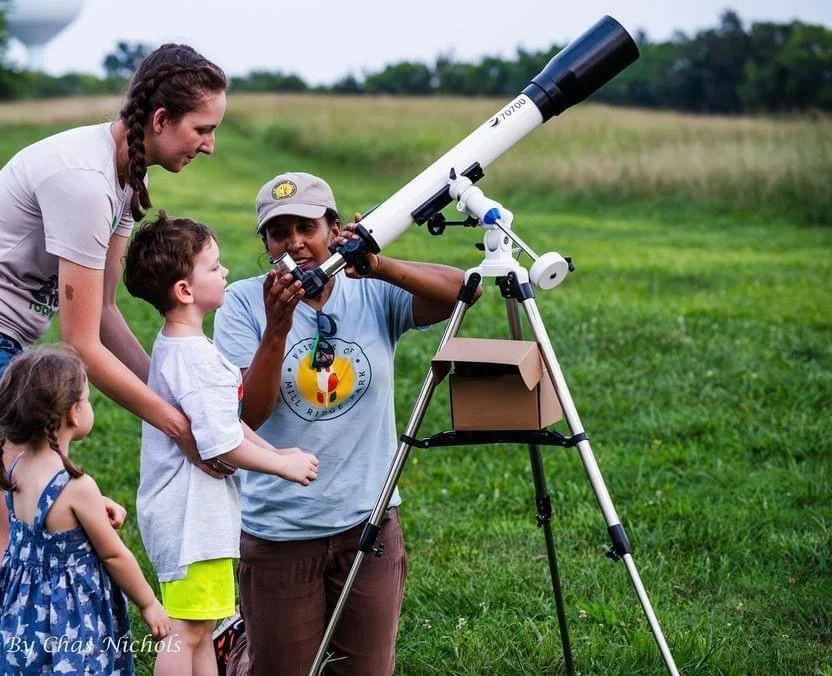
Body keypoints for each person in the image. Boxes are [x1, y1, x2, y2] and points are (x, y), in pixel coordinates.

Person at [213, 172, 480, 675]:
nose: (295, 242)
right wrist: (277, 327)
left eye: (307, 227)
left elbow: (463, 292)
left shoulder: (370, 289)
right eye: (279, 232)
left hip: (369, 519)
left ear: (334, 229)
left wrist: (378, 265)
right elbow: (248, 414)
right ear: (266, 243)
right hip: (280, 531)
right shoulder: (244, 303)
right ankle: (238, 648)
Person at [0, 42, 230, 556]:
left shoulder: (127, 175)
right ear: (162, 119)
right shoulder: (86, 183)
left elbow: (103, 312)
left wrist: (179, 397)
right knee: (14, 517)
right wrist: (178, 426)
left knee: (21, 509)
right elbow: (80, 343)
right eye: (203, 129)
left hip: (12, 338)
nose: (210, 145)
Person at [122, 212, 320, 676]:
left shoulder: (186, 346)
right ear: (185, 291)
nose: (226, 271)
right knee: (185, 632)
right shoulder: (194, 358)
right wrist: (281, 467)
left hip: (197, 521)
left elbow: (225, 422)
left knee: (203, 629)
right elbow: (221, 445)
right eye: (214, 267)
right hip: (192, 522)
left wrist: (274, 451)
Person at [0, 346, 171, 674]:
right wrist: (148, 603)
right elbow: (114, 556)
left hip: (25, 611)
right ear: (73, 414)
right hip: (72, 616)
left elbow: (47, 514)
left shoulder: (15, 467)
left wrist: (97, 505)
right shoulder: (77, 488)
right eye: (88, 398)